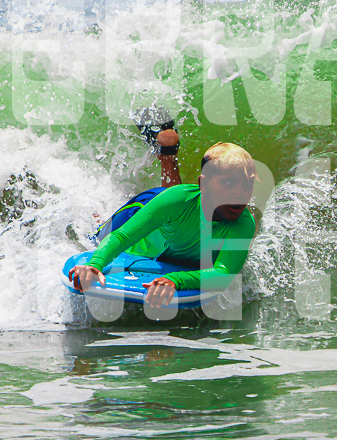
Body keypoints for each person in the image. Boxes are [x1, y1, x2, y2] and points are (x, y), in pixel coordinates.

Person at [69, 128, 257, 308]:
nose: (240, 193)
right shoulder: (177, 199)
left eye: (247, 184)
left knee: (178, 212)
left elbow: (223, 274)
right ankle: (97, 212)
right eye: (229, 183)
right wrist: (95, 264)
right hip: (149, 204)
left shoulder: (243, 223)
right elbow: (122, 236)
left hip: (178, 208)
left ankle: (168, 153)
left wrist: (175, 280)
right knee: (96, 237)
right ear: (204, 184)